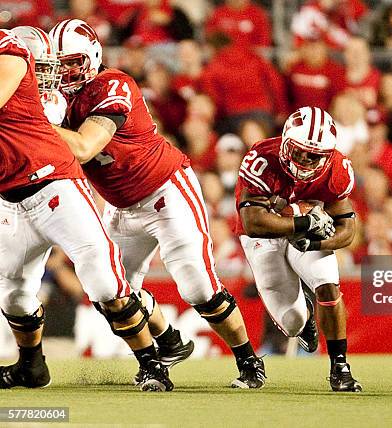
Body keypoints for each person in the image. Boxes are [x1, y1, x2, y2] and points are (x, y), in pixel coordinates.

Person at [46, 19, 265, 389]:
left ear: (92, 57)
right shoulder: (55, 99)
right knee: (109, 293)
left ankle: (248, 360)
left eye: (72, 62)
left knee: (198, 287)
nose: (65, 72)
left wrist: (35, 124)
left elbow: (84, 146)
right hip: (120, 205)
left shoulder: (112, 85)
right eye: (58, 64)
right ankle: (166, 344)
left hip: (165, 190)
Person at [0, 28, 170, 392]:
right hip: (9, 198)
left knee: (105, 281)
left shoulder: (10, 51)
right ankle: (31, 367)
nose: (48, 78)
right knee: (13, 294)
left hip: (54, 186)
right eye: (44, 67)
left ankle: (152, 364)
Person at [235, 107, 362, 392]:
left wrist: (314, 242)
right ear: (284, 143)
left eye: (314, 156)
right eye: (299, 151)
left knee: (329, 286)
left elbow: (347, 230)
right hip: (265, 236)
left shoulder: (336, 170)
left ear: (327, 156)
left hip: (305, 231)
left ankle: (340, 367)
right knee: (292, 323)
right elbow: (253, 222)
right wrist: (304, 221)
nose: (305, 161)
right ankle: (305, 318)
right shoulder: (261, 159)